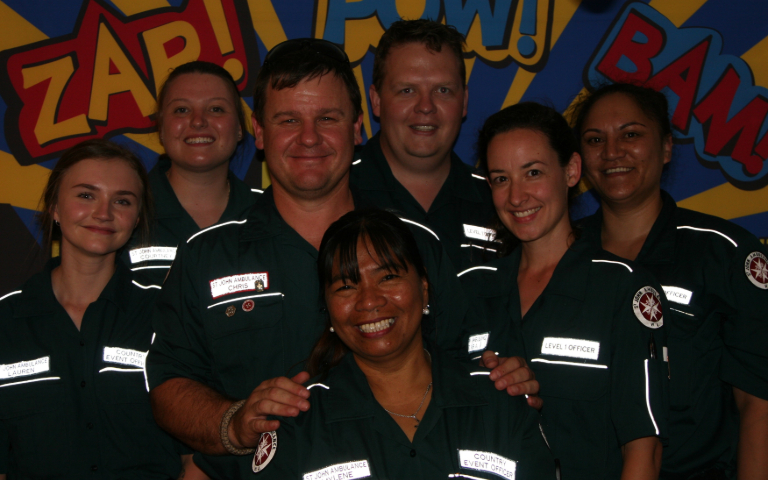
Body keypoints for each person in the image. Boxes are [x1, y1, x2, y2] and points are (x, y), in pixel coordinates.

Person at [146, 39, 539, 479]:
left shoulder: (414, 244)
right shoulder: (207, 256)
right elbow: (168, 385)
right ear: (258, 132)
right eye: (288, 119)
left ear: (357, 128)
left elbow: (463, 361)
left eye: (327, 118)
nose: (309, 138)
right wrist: (234, 423)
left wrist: (503, 375)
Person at [242, 208, 557, 480]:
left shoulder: (501, 405)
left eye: (388, 278)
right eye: (346, 286)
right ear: (327, 305)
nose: (369, 301)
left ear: (423, 288)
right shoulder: (298, 425)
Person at [460, 103, 669, 479]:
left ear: (571, 171)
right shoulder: (475, 288)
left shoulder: (621, 288)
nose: (517, 197)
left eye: (533, 173)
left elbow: (644, 449)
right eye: (501, 179)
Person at [572, 83, 768, 480]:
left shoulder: (724, 253)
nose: (612, 152)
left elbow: (758, 405)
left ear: (665, 147)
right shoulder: (563, 253)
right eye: (595, 140)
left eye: (631, 134)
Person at [0, 139, 189, 479]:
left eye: (122, 200)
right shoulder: (5, 323)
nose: (104, 213)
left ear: (137, 218)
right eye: (86, 195)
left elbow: (195, 456)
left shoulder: (166, 317)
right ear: (55, 207)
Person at [352, 19, 496, 271]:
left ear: (464, 101)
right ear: (375, 100)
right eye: (407, 90)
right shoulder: (336, 190)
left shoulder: (500, 200)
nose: (426, 106)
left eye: (442, 90)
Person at [122, 61, 259, 285]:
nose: (198, 121)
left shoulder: (271, 214)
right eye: (182, 110)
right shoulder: (123, 212)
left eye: (216, 109)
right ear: (162, 129)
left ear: (239, 128)